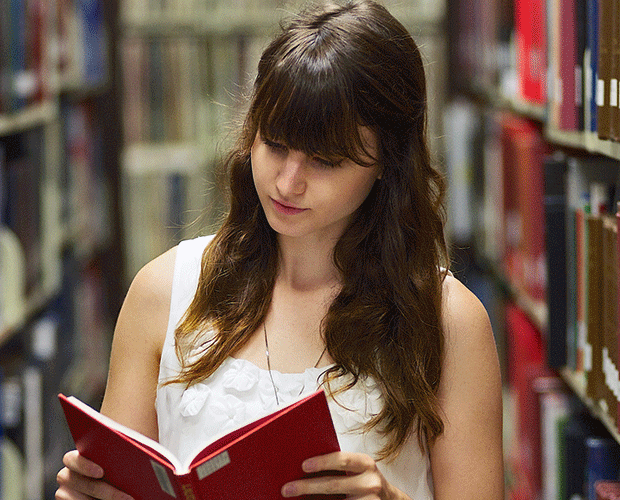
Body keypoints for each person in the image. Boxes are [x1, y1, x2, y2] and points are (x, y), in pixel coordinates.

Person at [56, 1, 503, 498]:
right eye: (274, 144)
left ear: (387, 164)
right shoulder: (163, 292)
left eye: (326, 161)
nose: (288, 183)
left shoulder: (448, 320)